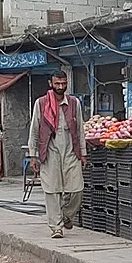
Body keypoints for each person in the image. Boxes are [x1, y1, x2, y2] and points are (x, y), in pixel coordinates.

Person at [28, 69, 86, 237]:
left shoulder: (74, 103)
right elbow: (35, 130)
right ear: (50, 84)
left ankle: (67, 215)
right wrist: (33, 155)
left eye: (63, 83)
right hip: (50, 151)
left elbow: (80, 129)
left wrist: (83, 153)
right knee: (52, 190)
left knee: (77, 189)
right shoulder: (41, 103)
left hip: (71, 150)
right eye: (57, 84)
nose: (60, 87)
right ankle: (56, 227)